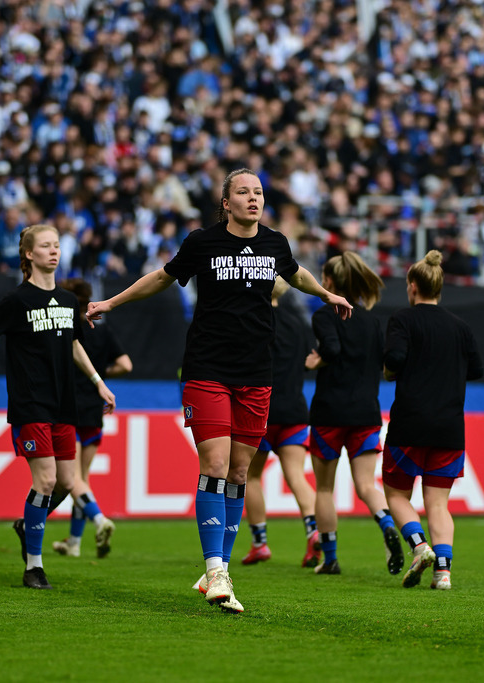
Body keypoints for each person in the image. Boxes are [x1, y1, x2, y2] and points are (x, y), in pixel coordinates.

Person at [86, 168, 352, 614]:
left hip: (257, 373)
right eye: (243, 192)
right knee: (214, 464)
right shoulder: (202, 242)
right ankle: (215, 570)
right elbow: (162, 277)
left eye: (258, 192)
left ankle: (220, 569)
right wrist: (111, 302)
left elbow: (296, 274)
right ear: (226, 203)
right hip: (207, 369)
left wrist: (327, 295)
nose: (253, 198)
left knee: (239, 472)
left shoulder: (275, 243)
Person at [0, 224, 116, 590]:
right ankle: (34, 566)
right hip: (30, 404)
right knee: (45, 480)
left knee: (66, 483)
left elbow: (74, 345)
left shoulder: (68, 301)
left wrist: (98, 383)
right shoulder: (17, 300)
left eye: (56, 245)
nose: (54, 251)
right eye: (45, 246)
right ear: (29, 254)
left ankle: (27, 525)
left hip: (64, 404)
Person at [382, 250, 483, 591]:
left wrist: (392, 368)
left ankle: (419, 546)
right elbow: (476, 369)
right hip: (449, 427)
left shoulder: (403, 319)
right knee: (438, 503)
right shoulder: (461, 327)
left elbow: (395, 357)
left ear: (413, 286)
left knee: (396, 494)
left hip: (410, 423)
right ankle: (443, 572)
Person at [304, 252, 402, 577]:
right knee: (366, 485)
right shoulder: (372, 321)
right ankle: (387, 524)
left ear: (330, 282)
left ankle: (330, 559)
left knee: (324, 489)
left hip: (330, 413)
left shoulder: (324, 315)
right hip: (366, 412)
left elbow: (331, 348)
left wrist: (317, 361)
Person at [240, 278, 320, 568]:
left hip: (260, 410)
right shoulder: (298, 323)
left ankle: (260, 543)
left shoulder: (253, 320)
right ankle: (314, 532)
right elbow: (308, 362)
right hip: (295, 408)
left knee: (251, 476)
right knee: (297, 476)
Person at [49, 278, 131, 559]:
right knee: (81, 478)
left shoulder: (63, 328)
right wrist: (101, 376)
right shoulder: (103, 331)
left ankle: (99, 519)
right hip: (95, 411)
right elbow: (126, 364)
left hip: (68, 410)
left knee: (72, 479)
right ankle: (74, 541)